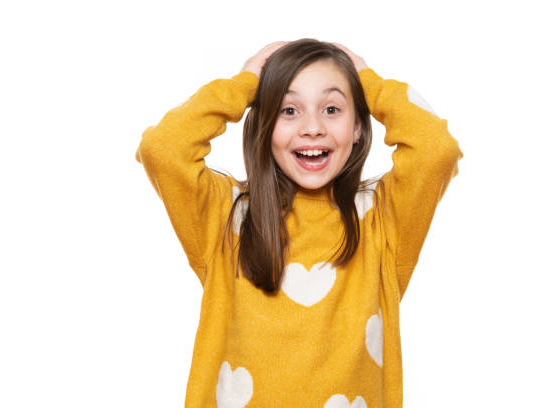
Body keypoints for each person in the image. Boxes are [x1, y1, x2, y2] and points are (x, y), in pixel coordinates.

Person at [135, 38, 463, 408]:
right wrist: (243, 84)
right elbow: (162, 148)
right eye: (289, 110)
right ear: (264, 125)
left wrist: (367, 81)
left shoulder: (383, 221)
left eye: (332, 109)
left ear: (358, 127)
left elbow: (437, 148)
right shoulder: (225, 217)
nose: (312, 128)